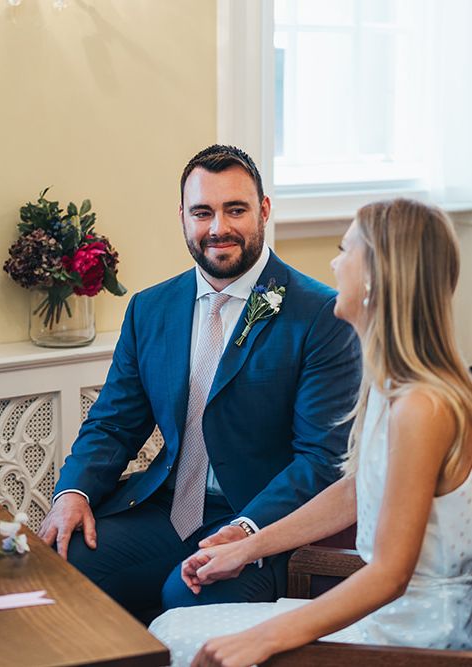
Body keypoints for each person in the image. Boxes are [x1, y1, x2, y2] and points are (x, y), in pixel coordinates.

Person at [37, 144, 361, 617]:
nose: (218, 228)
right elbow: (112, 423)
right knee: (65, 564)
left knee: (186, 597)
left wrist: (248, 531)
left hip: (261, 521)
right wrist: (73, 493)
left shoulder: (320, 315)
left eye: (235, 210)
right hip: (168, 509)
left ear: (264, 211)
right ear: (183, 217)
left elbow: (321, 459)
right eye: (202, 212)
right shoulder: (150, 308)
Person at [149, 198, 472, 666]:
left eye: (346, 249)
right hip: (389, 618)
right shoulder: (390, 387)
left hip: (418, 636)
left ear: (378, 276)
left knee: (187, 643)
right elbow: (355, 492)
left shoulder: (423, 406)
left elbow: (389, 575)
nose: (334, 263)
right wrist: (247, 546)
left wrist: (266, 636)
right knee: (173, 628)